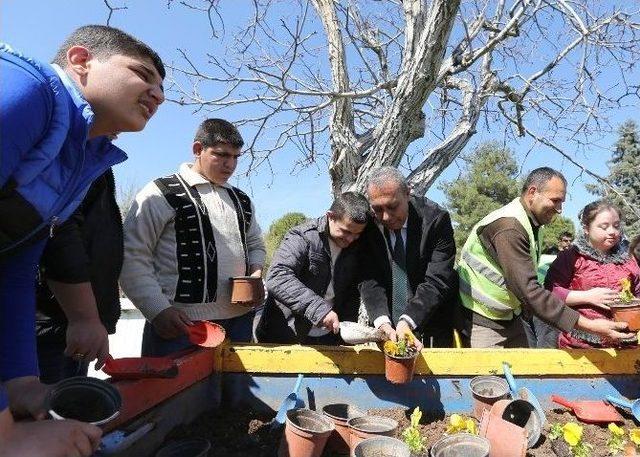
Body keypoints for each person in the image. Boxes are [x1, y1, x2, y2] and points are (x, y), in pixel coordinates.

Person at [0, 25, 164, 457]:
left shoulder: (79, 159)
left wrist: (22, 385)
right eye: (142, 73)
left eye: (162, 89)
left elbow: (13, 272)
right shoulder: (27, 89)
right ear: (80, 61)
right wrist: (3, 433)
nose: (158, 95)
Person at [121, 118, 266, 356]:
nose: (230, 164)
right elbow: (131, 255)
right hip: (179, 327)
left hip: (239, 325)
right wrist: (158, 310)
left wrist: (256, 273)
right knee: (175, 393)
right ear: (198, 149)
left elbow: (255, 244)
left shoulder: (242, 200)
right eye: (221, 155)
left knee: (235, 394)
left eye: (236, 157)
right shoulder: (161, 193)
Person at [457, 167, 634, 348]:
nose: (559, 209)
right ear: (533, 192)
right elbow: (530, 292)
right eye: (555, 201)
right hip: (482, 319)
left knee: (525, 374)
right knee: (490, 376)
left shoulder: (533, 224)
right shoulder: (509, 227)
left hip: (510, 316)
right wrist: (590, 325)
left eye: (562, 202)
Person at [36, 169, 122, 383]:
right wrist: (84, 318)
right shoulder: (72, 152)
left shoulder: (99, 158)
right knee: (46, 410)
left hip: (72, 324)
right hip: (50, 323)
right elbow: (58, 230)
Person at [358, 167, 458, 349]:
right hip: (386, 318)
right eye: (378, 209)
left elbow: (437, 279)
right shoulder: (369, 224)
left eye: (392, 206)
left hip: (431, 315)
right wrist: (382, 322)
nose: (386, 217)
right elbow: (369, 277)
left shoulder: (436, 220)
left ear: (407, 193)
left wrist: (408, 321)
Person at [255, 192, 371, 344]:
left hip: (331, 338)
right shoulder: (303, 237)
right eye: (346, 231)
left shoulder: (357, 246)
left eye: (357, 234)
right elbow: (277, 276)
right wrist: (320, 310)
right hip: (286, 335)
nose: (350, 239)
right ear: (331, 216)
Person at [545, 201, 640, 348]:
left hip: (624, 344)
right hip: (580, 345)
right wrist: (588, 296)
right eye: (604, 226)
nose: (612, 231)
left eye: (616, 225)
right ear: (586, 229)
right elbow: (549, 293)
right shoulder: (571, 257)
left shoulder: (629, 258)